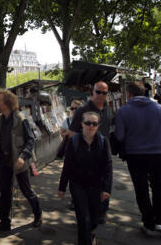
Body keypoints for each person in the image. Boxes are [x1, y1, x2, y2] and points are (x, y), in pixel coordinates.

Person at [0, 89, 42, 232]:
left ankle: (38, 215)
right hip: (4, 161)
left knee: (26, 190)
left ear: (6, 103)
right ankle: (4, 222)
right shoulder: (0, 120)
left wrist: (22, 157)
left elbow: (31, 140)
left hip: (19, 161)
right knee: (5, 192)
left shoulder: (20, 118)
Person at [114, 82, 161, 237]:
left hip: (135, 156)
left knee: (141, 189)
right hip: (157, 155)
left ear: (129, 94)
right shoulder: (159, 108)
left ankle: (148, 222)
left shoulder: (123, 111)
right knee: (159, 188)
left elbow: (120, 136)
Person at [58, 111, 112, 245]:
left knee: (94, 218)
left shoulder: (103, 141)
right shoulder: (73, 142)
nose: (91, 126)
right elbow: (67, 165)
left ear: (98, 125)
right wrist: (62, 187)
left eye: (94, 123)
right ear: (82, 124)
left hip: (96, 186)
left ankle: (92, 233)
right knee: (83, 219)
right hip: (78, 186)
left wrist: (106, 188)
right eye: (88, 123)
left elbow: (108, 167)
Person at [66, 81, 112, 224]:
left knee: (104, 181)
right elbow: (72, 133)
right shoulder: (82, 110)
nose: (100, 95)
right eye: (98, 91)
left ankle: (102, 210)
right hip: (85, 154)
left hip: (103, 151)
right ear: (92, 92)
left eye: (104, 93)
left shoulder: (107, 108)